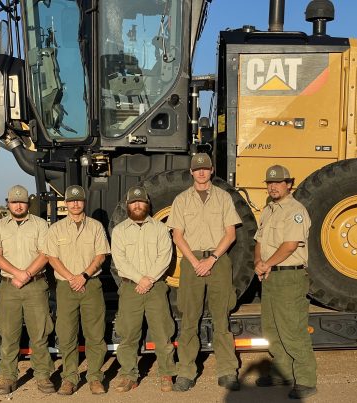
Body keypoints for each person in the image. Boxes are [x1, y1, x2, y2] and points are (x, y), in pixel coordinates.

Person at [167, 153, 242, 392]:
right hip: (191, 262)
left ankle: (228, 371)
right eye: (197, 169)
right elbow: (177, 236)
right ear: (191, 172)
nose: (201, 172)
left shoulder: (223, 198)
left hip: (218, 261)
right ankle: (186, 371)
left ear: (211, 171)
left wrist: (211, 259)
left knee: (222, 318)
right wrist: (195, 261)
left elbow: (231, 234)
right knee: (189, 319)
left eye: (205, 168)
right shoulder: (181, 200)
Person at [254, 165, 317, 399]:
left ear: (289, 184)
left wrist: (267, 263)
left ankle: (306, 379)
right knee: (272, 330)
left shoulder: (295, 210)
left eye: (278, 182)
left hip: (290, 276)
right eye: (270, 183)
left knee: (293, 330)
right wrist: (258, 262)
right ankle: (283, 372)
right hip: (270, 275)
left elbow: (290, 245)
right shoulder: (269, 210)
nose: (273, 186)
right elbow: (259, 240)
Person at [0, 185, 56, 395]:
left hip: (35, 285)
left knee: (40, 333)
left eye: (22, 202)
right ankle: (8, 377)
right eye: (14, 201)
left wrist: (26, 274)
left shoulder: (40, 225)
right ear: (8, 203)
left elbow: (46, 253)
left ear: (28, 204)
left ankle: (43, 376)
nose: (18, 205)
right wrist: (18, 274)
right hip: (9, 288)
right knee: (8, 334)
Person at [45, 185, 110, 395]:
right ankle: (69, 378)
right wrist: (71, 277)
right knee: (67, 335)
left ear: (84, 202)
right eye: (71, 200)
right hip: (66, 286)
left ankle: (94, 377)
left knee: (95, 334)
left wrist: (83, 276)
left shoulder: (96, 227)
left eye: (78, 200)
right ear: (66, 203)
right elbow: (51, 258)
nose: (75, 204)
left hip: (90, 284)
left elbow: (101, 255)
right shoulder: (56, 229)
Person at [111, 186, 175, 393]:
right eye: (133, 202)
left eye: (141, 202)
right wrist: (140, 279)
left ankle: (166, 373)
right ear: (128, 206)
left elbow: (165, 257)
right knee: (128, 335)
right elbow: (120, 260)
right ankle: (129, 375)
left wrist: (149, 280)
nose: (137, 205)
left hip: (156, 287)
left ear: (148, 204)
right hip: (131, 288)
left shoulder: (160, 228)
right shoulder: (119, 231)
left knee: (162, 333)